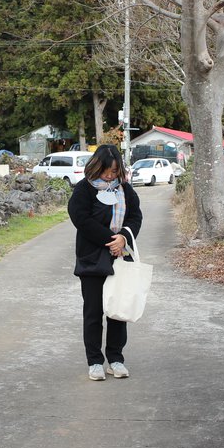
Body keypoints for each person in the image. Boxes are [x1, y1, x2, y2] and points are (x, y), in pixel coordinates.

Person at [67, 144, 143, 381]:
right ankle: (95, 361)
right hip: (92, 259)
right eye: (106, 171)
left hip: (120, 257)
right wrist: (111, 240)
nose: (110, 176)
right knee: (93, 312)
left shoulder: (126, 190)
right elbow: (81, 219)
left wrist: (124, 237)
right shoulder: (84, 190)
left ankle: (116, 359)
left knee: (117, 311)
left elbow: (135, 216)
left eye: (114, 171)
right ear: (96, 167)